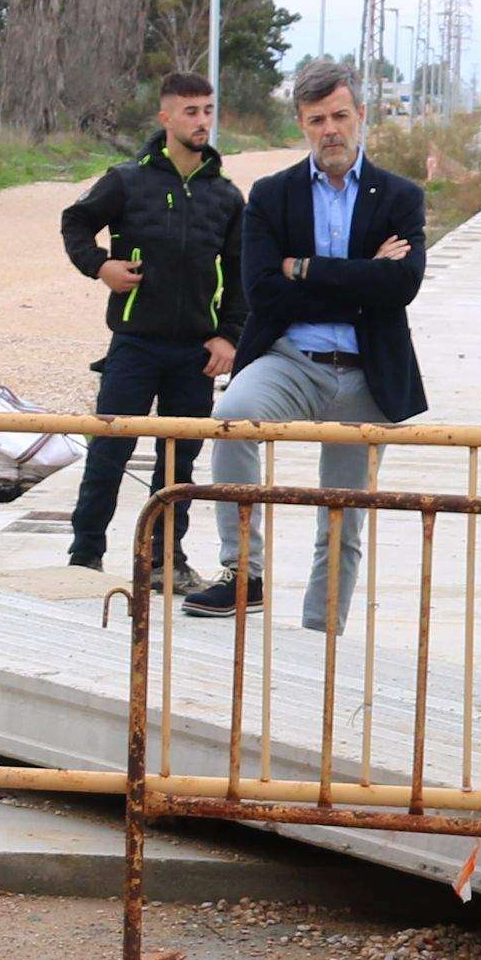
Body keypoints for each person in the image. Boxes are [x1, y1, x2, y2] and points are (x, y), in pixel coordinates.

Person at [199, 59, 427, 627]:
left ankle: (320, 636)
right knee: (231, 419)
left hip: (367, 373)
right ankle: (243, 571)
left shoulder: (399, 196)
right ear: (301, 124)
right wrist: (359, 277)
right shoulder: (272, 196)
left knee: (342, 520)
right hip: (290, 361)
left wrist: (305, 269)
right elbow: (263, 290)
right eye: (317, 118)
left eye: (340, 116)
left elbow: (401, 285)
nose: (331, 129)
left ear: (361, 116)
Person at [59, 70, 246, 593]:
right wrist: (101, 266)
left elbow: (240, 274)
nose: (202, 120)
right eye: (191, 111)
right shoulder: (127, 180)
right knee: (108, 452)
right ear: (166, 118)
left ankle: (166, 561)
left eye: (208, 110)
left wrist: (228, 335)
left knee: (178, 467)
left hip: (195, 354)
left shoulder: (228, 197)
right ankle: (84, 557)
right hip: (135, 345)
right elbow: (75, 221)